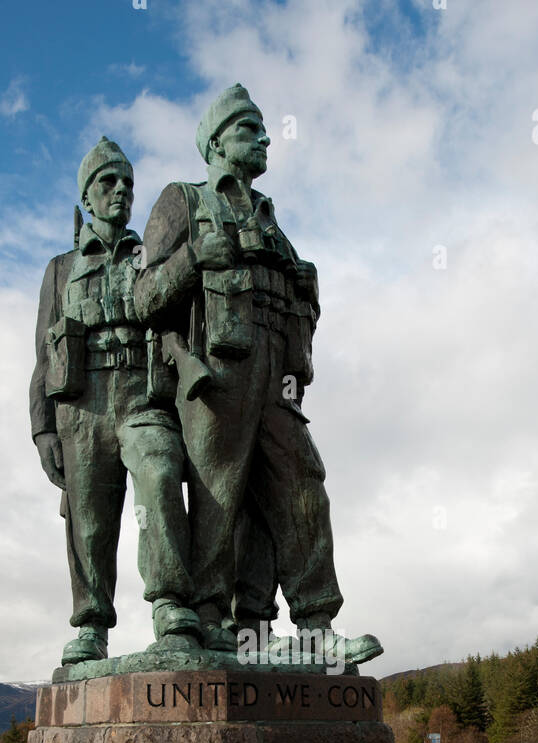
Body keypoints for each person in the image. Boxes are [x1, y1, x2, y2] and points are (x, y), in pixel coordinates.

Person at [135, 85, 382, 667]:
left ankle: (317, 625)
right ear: (217, 142)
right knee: (220, 493)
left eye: (264, 129)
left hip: (278, 373)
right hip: (220, 369)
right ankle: (211, 620)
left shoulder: (271, 220)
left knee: (302, 483)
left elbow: (302, 298)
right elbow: (145, 298)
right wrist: (194, 258)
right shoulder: (183, 200)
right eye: (250, 129)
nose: (266, 139)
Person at [30, 137, 203, 665]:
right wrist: (43, 431)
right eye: (108, 182)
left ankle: (172, 604)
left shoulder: (150, 257)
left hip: (142, 396)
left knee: (158, 473)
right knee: (90, 518)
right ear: (87, 195)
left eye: (127, 182)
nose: (121, 191)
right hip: (80, 408)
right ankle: (91, 625)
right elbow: (42, 355)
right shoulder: (60, 269)